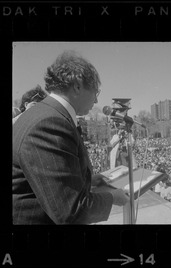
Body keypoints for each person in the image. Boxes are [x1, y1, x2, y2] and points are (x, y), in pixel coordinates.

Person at [13, 50, 129, 224]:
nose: (96, 101)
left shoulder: (45, 114)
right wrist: (112, 198)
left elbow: (50, 183)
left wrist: (87, 182)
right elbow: (70, 211)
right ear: (77, 86)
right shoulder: (50, 123)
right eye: (95, 92)